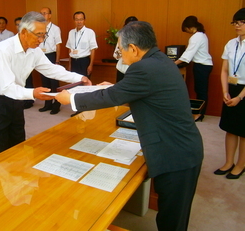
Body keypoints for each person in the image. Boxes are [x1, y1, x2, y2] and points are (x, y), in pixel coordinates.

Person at [56, 21, 203, 231]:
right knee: (171, 214)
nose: (120, 53)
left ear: (133, 48)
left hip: (176, 155)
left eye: (120, 48)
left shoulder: (143, 68)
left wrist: (71, 98)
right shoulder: (158, 60)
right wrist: (117, 86)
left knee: (172, 222)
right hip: (180, 148)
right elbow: (141, 88)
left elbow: (112, 98)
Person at [0, 11, 91, 156]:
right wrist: (32, 93)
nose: (41, 40)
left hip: (17, 98)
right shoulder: (3, 49)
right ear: (23, 33)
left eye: (44, 35)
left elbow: (51, 69)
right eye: (38, 35)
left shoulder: (35, 50)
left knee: (18, 143)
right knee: (0, 150)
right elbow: (7, 87)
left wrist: (79, 77)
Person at [215, 8, 245, 180]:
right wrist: (225, 91)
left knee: (243, 131)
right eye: (235, 22)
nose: (237, 26)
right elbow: (224, 70)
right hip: (231, 89)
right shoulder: (230, 43)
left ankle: (241, 164)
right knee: (230, 128)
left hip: (244, 91)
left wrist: (239, 97)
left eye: (241, 22)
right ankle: (228, 162)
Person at [175, 16, 213, 122]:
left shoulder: (196, 37)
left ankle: (200, 114)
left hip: (202, 66)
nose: (186, 32)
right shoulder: (201, 35)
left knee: (201, 91)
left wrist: (175, 63)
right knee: (200, 90)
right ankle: (199, 113)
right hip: (203, 65)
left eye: (186, 29)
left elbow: (188, 54)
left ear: (190, 27)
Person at [66, 11, 97, 117]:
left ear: (84, 20)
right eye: (77, 19)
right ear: (74, 20)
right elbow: (70, 49)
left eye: (81, 19)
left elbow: (93, 49)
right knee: (76, 86)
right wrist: (70, 64)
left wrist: (91, 64)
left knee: (85, 86)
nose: (79, 21)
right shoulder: (71, 32)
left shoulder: (90, 32)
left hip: (84, 61)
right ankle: (78, 109)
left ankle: (85, 109)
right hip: (74, 61)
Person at [38, 7, 62, 114]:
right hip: (41, 55)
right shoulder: (38, 28)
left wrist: (57, 60)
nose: (43, 15)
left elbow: (58, 45)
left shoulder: (55, 28)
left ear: (50, 15)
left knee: (54, 82)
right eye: (41, 13)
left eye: (45, 13)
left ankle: (56, 104)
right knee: (45, 82)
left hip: (52, 56)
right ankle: (47, 104)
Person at [15, 16, 35, 109]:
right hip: (0, 95)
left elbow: (50, 69)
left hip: (27, 65)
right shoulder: (5, 47)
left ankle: (29, 100)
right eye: (17, 25)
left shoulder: (33, 46)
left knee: (28, 81)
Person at [113, 16, 138, 82]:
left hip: (135, 70)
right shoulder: (121, 37)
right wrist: (121, 53)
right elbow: (116, 55)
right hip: (122, 69)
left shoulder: (141, 38)